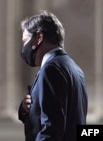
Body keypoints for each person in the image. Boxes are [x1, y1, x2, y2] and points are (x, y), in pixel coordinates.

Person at [18, 11, 88, 141]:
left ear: (39, 37)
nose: (24, 47)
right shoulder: (75, 68)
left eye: (25, 41)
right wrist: (24, 109)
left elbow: (51, 129)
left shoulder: (50, 69)